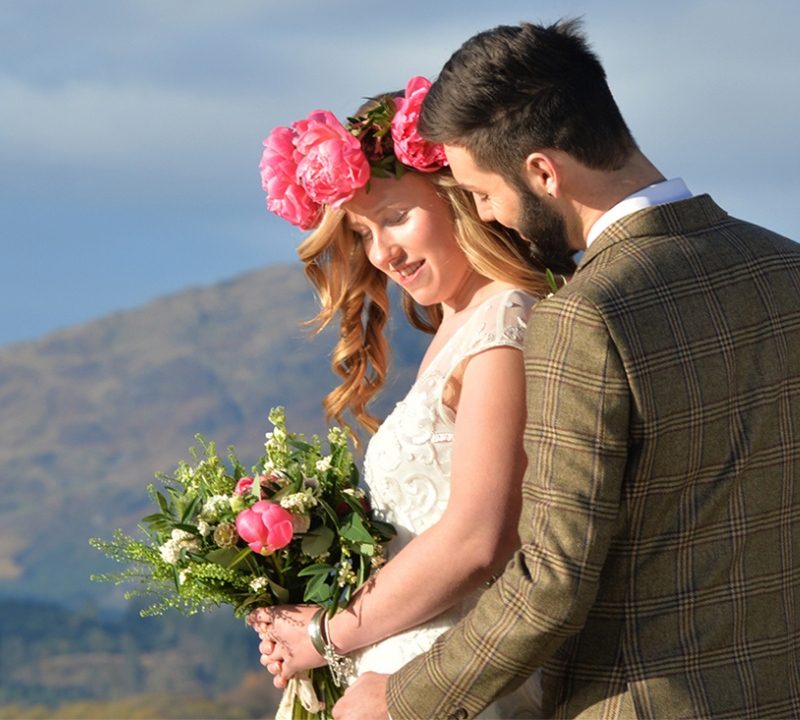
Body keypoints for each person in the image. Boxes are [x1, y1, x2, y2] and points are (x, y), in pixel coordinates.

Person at [331, 19, 800, 720]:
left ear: (543, 172)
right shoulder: (785, 269)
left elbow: (549, 581)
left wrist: (400, 697)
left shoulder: (585, 316)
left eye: (483, 194)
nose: (487, 215)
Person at [249, 76, 574, 718]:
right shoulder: (458, 328)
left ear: (460, 198)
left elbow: (480, 539)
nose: (384, 252)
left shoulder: (505, 326)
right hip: (395, 662)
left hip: (448, 676)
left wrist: (324, 634)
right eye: (366, 232)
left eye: (397, 217)